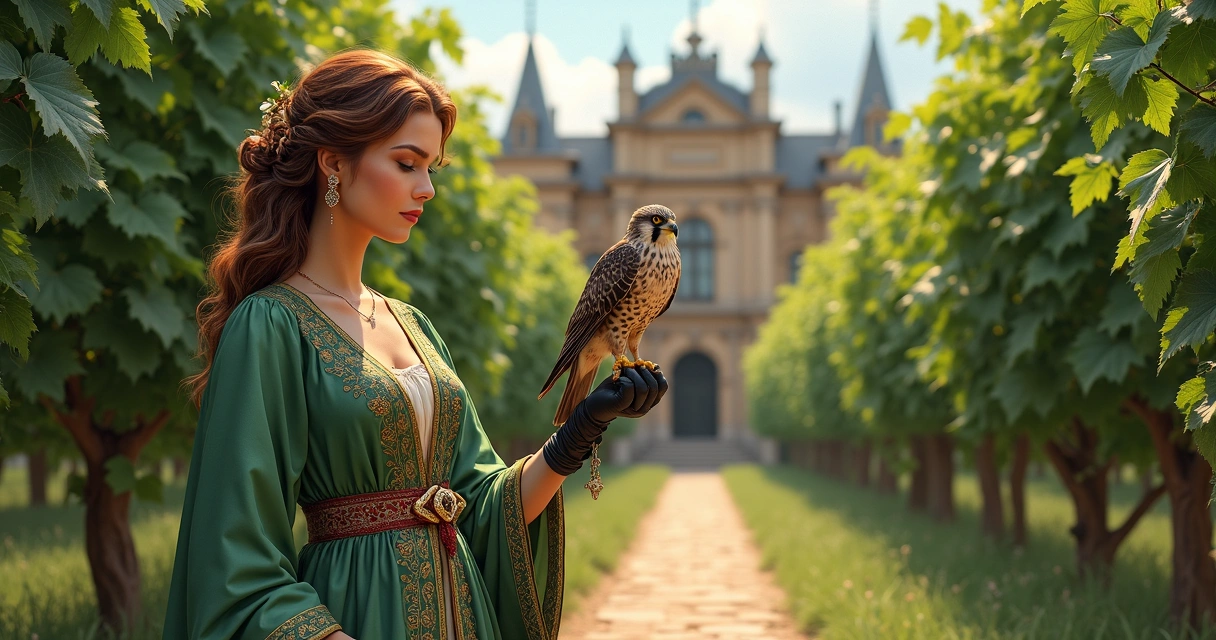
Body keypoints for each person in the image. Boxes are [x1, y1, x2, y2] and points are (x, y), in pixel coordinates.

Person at [163, 48, 668, 640]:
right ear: (333, 164)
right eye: (406, 163)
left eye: (431, 167)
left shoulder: (413, 326)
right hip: (355, 618)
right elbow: (237, 559)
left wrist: (576, 434)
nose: (426, 188)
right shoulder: (270, 325)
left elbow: (481, 512)